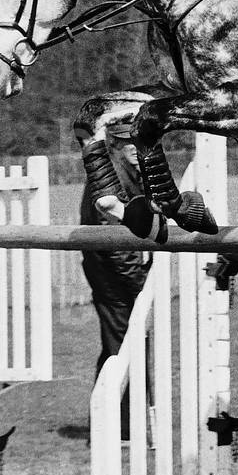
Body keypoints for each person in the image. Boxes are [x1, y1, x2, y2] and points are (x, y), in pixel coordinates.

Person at [79, 129, 152, 440]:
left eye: (139, 141)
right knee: (123, 347)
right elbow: (115, 243)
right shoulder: (111, 176)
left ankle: (112, 422)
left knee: (119, 345)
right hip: (113, 275)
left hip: (117, 272)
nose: (135, 148)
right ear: (115, 144)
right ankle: (120, 428)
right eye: (127, 143)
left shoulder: (131, 171)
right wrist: (139, 284)